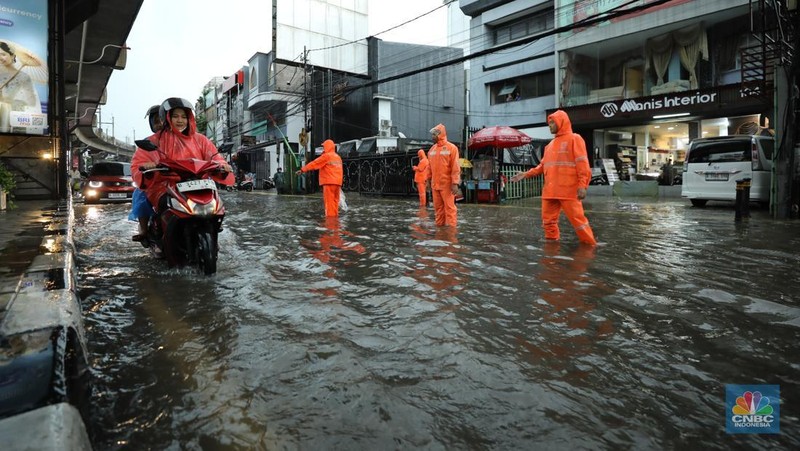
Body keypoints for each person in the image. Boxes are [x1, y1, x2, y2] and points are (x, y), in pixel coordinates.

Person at [132, 97, 232, 214]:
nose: (180, 120)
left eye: (184, 117)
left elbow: (215, 156)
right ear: (167, 118)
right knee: (148, 199)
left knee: (217, 209)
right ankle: (147, 230)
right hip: (166, 187)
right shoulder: (155, 141)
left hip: (199, 186)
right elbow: (138, 164)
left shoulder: (201, 140)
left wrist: (222, 165)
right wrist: (147, 167)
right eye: (175, 116)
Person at [510, 110, 597, 245]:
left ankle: (590, 245)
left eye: (552, 123)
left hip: (568, 191)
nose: (550, 126)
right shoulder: (549, 145)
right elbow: (542, 166)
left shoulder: (575, 139)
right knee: (548, 223)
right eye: (549, 123)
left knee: (578, 221)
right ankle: (551, 249)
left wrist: (583, 186)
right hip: (550, 192)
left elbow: (583, 164)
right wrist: (525, 174)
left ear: (561, 122)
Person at [129, 105, 163, 241]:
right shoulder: (147, 143)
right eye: (155, 121)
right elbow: (137, 165)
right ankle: (144, 229)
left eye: (162, 120)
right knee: (140, 194)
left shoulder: (185, 140)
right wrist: (146, 167)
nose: (160, 124)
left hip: (181, 181)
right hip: (156, 182)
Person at [0, 41, 42, 133]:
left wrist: (9, 101)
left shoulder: (23, 77)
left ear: (11, 56)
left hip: (12, 118)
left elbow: (32, 102)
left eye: (3, 54)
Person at [296, 139, 343, 217]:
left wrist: (302, 170)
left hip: (329, 182)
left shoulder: (326, 156)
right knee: (335, 202)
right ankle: (335, 219)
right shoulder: (338, 157)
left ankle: (331, 224)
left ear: (327, 147)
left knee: (329, 203)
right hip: (337, 183)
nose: (323, 148)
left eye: (324, 146)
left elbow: (314, 164)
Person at [425, 124, 460, 227]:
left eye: (434, 135)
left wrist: (455, 183)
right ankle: (440, 231)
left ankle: (451, 233)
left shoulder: (452, 148)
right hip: (435, 185)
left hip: (447, 185)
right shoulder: (432, 150)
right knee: (438, 209)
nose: (432, 137)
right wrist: (428, 181)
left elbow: (455, 167)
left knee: (450, 209)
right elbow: (429, 168)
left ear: (440, 135)